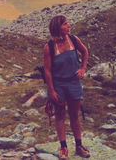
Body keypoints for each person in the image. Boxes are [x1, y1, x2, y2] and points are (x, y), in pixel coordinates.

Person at [43, 15, 90, 159]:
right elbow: (48, 71)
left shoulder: (74, 40)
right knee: (60, 116)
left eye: (68, 23)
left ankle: (79, 146)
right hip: (59, 85)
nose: (69, 25)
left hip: (74, 83)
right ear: (58, 28)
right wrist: (51, 90)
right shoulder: (49, 47)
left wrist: (83, 68)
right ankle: (63, 148)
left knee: (75, 115)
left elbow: (85, 51)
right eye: (65, 24)